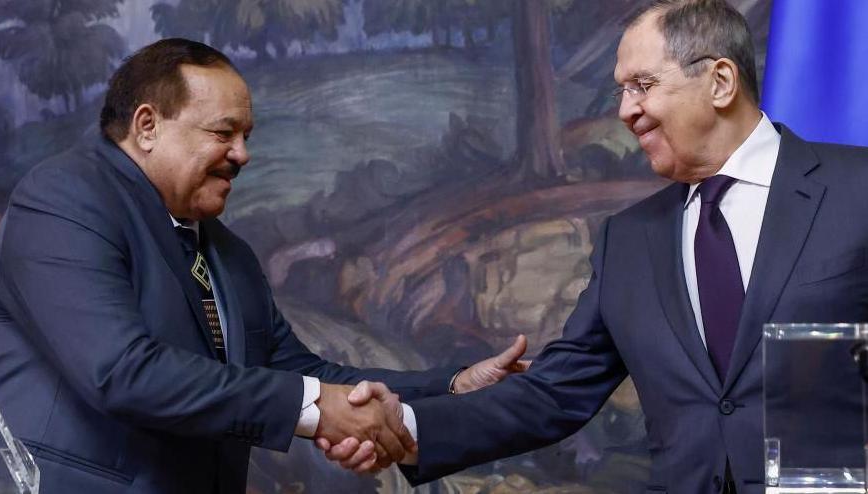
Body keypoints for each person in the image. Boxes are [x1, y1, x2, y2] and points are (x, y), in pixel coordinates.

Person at [319, 1, 868, 492]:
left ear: (720, 81)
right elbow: (555, 394)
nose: (625, 111)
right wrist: (408, 428)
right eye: (621, 91)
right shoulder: (628, 241)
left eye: (642, 85)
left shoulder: (857, 190)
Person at [0, 38, 528, 493]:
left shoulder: (227, 251)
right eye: (223, 133)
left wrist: (452, 387)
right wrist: (318, 408)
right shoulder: (63, 199)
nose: (243, 154)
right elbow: (122, 372)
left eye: (246, 136)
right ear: (147, 126)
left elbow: (298, 372)